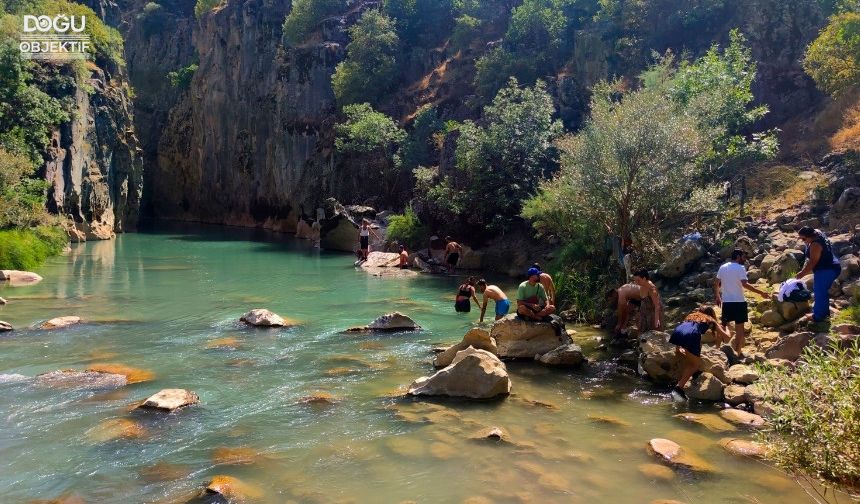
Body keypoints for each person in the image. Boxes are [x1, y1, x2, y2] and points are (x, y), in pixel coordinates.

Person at [669, 306, 731, 399]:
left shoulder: (692, 316)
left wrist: (678, 349)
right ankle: (678, 388)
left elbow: (685, 328)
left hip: (677, 331)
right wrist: (726, 327)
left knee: (691, 354)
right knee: (695, 365)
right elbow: (727, 337)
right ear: (711, 314)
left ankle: (690, 369)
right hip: (691, 335)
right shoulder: (710, 320)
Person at [714, 249, 768, 356]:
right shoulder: (740, 268)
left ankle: (717, 349)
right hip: (739, 302)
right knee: (739, 329)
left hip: (727, 302)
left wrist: (717, 296)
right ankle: (737, 353)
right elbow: (744, 284)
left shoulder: (723, 267)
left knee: (723, 325)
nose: (744, 259)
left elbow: (716, 282)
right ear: (738, 257)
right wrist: (761, 292)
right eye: (743, 257)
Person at [796, 226, 841, 324]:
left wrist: (801, 274)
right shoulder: (817, 233)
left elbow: (812, 263)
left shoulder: (815, 245)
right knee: (821, 290)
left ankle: (818, 317)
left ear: (810, 236)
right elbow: (815, 229)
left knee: (819, 291)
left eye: (804, 239)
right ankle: (824, 313)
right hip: (831, 265)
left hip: (827, 269)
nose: (803, 241)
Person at [607, 269, 662, 336]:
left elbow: (621, 311)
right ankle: (624, 329)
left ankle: (640, 334)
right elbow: (625, 310)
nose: (635, 283)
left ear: (614, 293)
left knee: (639, 318)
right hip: (639, 298)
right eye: (635, 281)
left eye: (638, 280)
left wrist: (619, 324)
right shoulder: (624, 289)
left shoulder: (621, 293)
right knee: (630, 308)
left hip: (646, 300)